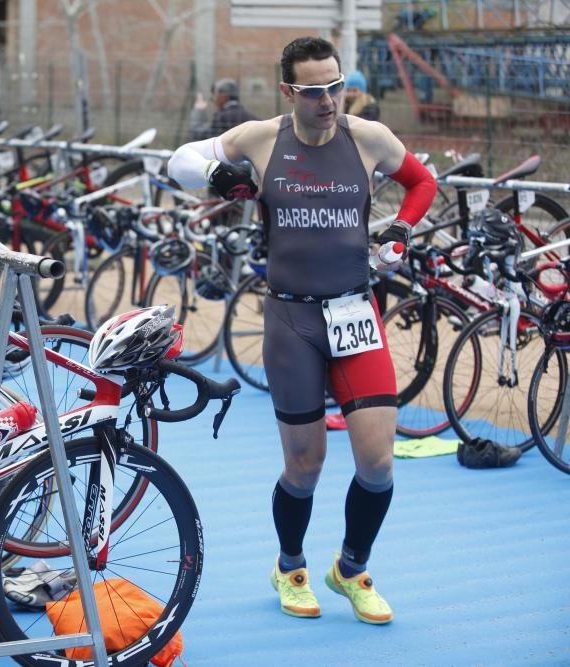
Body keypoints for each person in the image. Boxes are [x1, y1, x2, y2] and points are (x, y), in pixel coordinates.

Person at [167, 36, 436, 624]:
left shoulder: (368, 137)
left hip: (354, 313)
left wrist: (401, 231)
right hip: (291, 319)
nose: (329, 100)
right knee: (305, 465)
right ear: (289, 90)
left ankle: (351, 568)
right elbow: (177, 162)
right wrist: (217, 174)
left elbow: (423, 184)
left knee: (378, 462)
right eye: (314, 90)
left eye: (335, 86)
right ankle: (290, 567)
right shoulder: (263, 138)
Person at [189, 78, 257, 140]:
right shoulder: (253, 118)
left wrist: (199, 110)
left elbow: (199, 135)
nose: (213, 99)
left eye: (215, 95)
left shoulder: (222, 118)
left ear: (223, 96)